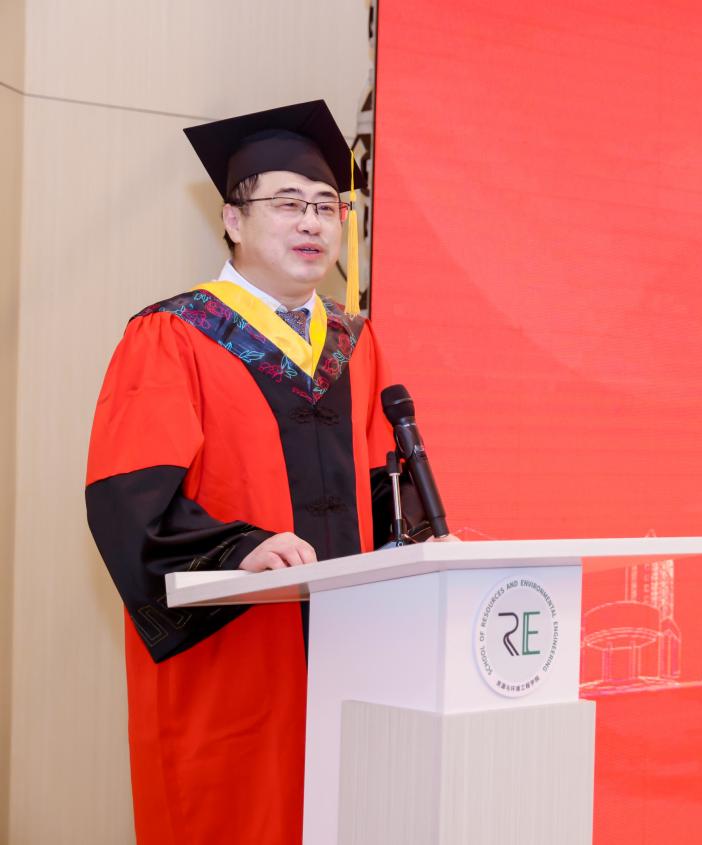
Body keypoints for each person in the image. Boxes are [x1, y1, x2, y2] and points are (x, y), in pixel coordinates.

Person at [85, 101, 429, 844]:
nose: (312, 223)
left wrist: (423, 545)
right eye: (287, 203)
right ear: (234, 221)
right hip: (236, 656)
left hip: (351, 652)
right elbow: (128, 503)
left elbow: (386, 484)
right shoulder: (173, 334)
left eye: (326, 206)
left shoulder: (354, 341)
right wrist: (239, 547)